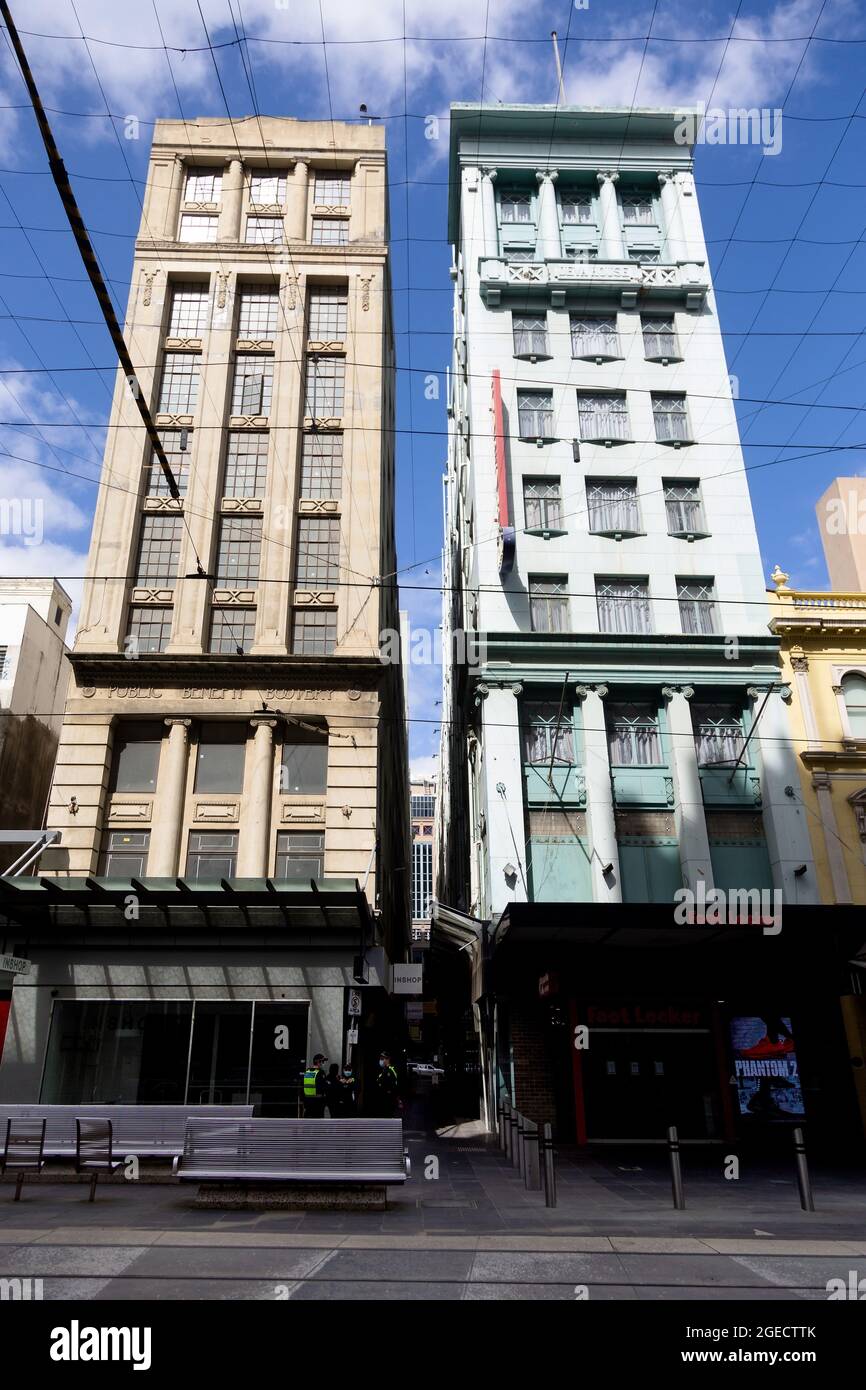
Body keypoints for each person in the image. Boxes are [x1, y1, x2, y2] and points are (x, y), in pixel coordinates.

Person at [375, 1050, 400, 1118]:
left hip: (388, 1099)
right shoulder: (383, 1070)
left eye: (382, 1059)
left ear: (388, 1059)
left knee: (388, 1117)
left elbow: (394, 1085)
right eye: (380, 1059)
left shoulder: (391, 1070)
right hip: (382, 1099)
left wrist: (397, 1099)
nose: (381, 1060)